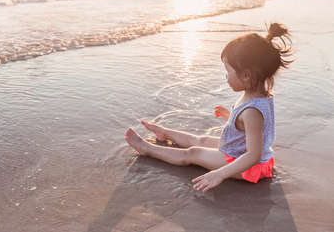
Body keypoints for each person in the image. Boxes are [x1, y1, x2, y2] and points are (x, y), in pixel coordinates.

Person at [125, 23, 293, 192]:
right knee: (203, 140)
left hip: (248, 166)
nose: (226, 76)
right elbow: (250, 128)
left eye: (228, 71)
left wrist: (220, 173)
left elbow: (253, 156)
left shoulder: (252, 112)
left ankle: (147, 149)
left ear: (246, 75)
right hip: (237, 150)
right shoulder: (257, 96)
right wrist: (231, 117)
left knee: (193, 153)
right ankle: (165, 132)